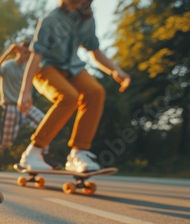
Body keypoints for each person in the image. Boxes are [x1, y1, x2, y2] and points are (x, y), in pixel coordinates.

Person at [18, 0, 131, 172]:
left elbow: (96, 52)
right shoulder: (51, 20)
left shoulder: (88, 20)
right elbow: (36, 56)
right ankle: (33, 152)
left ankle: (78, 153)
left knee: (96, 92)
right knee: (69, 97)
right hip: (46, 68)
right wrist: (25, 91)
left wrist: (116, 71)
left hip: (73, 68)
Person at [0, 40, 52, 174]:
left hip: (25, 106)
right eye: (25, 52)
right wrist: (7, 53)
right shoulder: (8, 65)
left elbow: (42, 70)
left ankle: (42, 156)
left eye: (29, 54)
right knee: (5, 142)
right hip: (11, 106)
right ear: (18, 51)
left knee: (45, 122)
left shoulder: (27, 68)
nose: (27, 56)